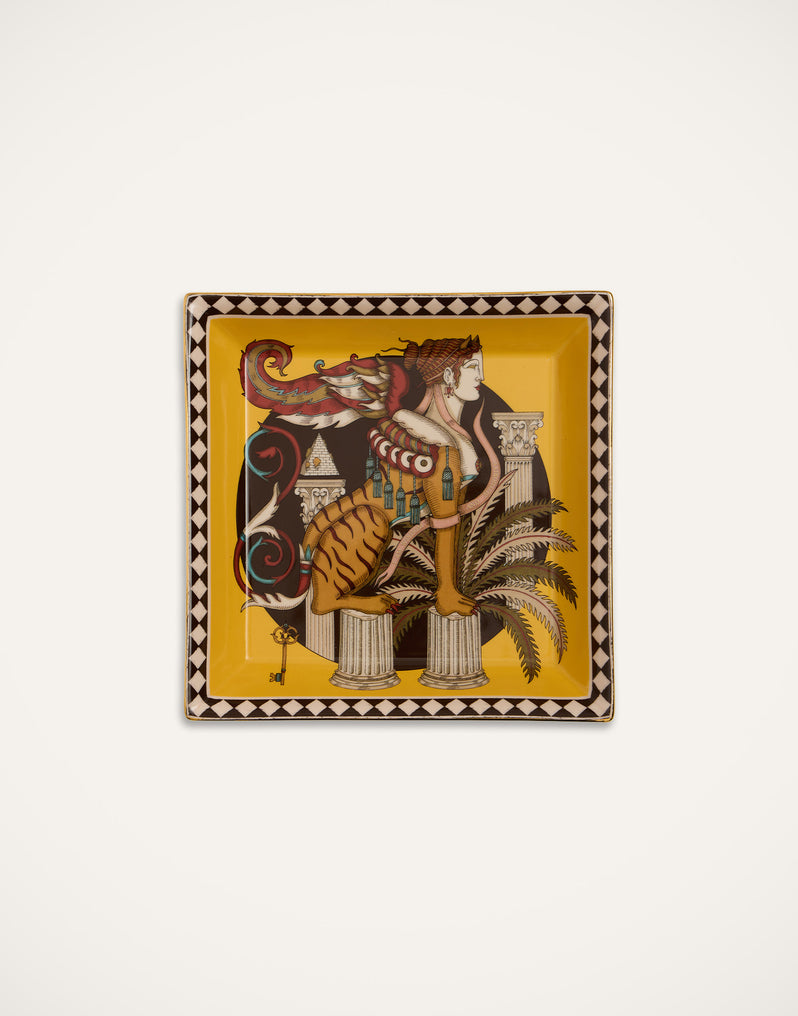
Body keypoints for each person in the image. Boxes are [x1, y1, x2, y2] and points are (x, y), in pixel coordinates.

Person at [237, 335, 500, 617]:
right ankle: (332, 598)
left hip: (371, 518)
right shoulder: (438, 447)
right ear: (448, 375)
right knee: (371, 523)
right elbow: (445, 522)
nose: (482, 377)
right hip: (359, 525)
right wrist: (446, 593)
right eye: (473, 367)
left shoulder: (438, 438)